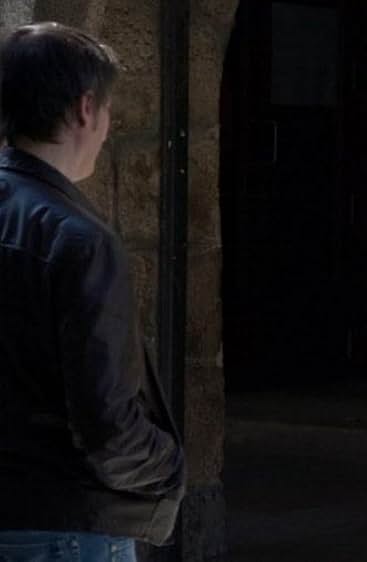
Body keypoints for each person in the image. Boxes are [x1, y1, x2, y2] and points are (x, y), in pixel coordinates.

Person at [0, 22, 185, 561]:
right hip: (64, 526)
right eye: (106, 112)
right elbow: (106, 425)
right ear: (85, 109)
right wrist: (169, 465)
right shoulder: (79, 241)